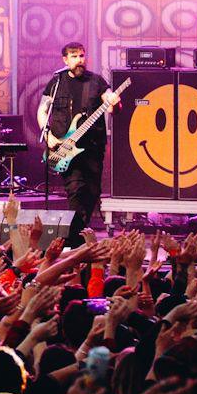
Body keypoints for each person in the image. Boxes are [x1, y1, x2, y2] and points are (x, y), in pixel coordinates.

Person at [34, 41, 118, 243]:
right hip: (66, 148)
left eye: (82, 56)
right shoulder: (56, 83)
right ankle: (72, 242)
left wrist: (112, 100)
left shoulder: (96, 81)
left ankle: (77, 238)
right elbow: (42, 110)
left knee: (91, 193)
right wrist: (48, 136)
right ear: (65, 60)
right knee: (76, 189)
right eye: (74, 57)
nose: (80, 60)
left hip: (92, 148)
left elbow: (109, 100)